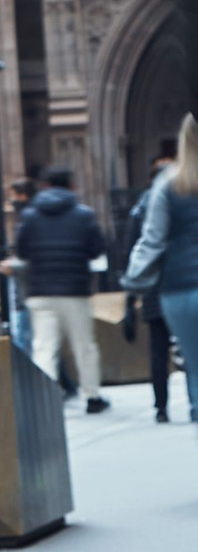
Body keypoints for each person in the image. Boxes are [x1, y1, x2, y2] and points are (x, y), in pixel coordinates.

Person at [5, 165, 111, 412]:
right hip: (75, 289)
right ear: (72, 186)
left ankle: (46, 402)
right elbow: (97, 249)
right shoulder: (83, 214)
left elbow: (21, 251)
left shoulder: (30, 216)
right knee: (84, 346)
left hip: (40, 290)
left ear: (45, 187)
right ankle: (92, 397)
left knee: (45, 346)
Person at [121, 118, 198, 429]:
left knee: (194, 364)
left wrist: (133, 281)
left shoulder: (167, 184)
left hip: (178, 287)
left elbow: (152, 240)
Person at [119, 145, 181, 421]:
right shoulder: (182, 200)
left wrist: (130, 297)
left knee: (158, 349)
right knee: (189, 346)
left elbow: (134, 252)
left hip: (155, 288)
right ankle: (192, 404)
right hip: (180, 284)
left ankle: (161, 408)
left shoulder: (139, 209)